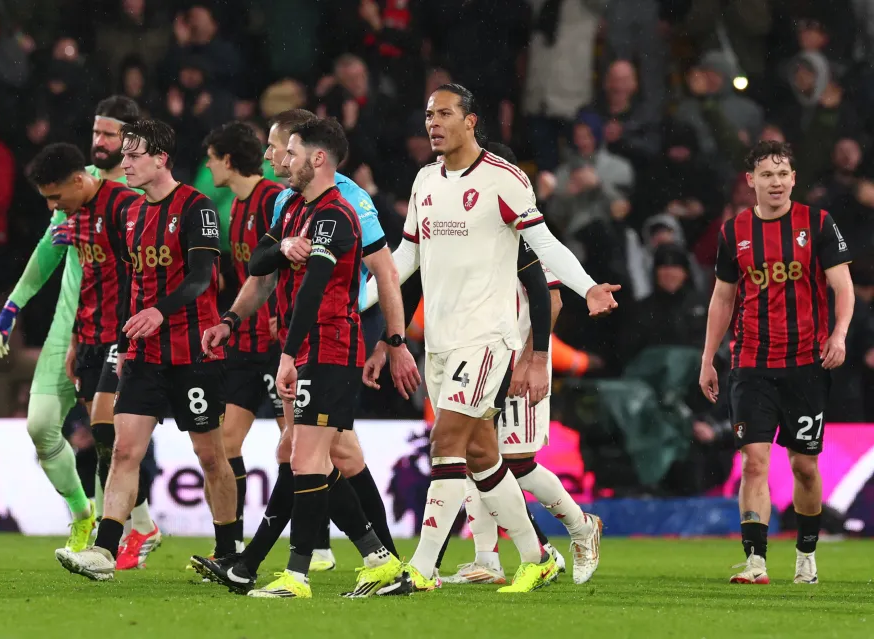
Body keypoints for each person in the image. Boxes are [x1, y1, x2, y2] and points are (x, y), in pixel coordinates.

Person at [361, 84, 619, 593]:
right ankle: (538, 556)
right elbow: (405, 258)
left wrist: (586, 287)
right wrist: (356, 305)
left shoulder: (505, 180)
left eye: (445, 114)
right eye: (429, 114)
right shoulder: (424, 180)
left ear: (471, 121)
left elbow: (544, 243)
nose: (433, 123)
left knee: (447, 441)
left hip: (487, 338)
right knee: (483, 455)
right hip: (441, 337)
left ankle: (422, 568)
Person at [195, 109, 416, 586]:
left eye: (283, 149)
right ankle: (366, 559)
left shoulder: (347, 207)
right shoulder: (289, 204)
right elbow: (262, 265)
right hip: (302, 336)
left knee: (320, 455)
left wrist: (393, 341)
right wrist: (233, 320)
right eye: (279, 148)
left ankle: (319, 565)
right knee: (305, 452)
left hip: (338, 331)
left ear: (313, 156)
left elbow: (385, 274)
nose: (275, 156)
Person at [55, 119, 238, 581]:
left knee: (211, 456)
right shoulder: (130, 213)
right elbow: (127, 280)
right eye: (125, 155)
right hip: (142, 354)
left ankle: (228, 551)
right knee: (122, 450)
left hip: (192, 352)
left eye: (135, 155)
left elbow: (201, 278)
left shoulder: (197, 208)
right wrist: (100, 335)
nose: (126, 163)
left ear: (161, 159)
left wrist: (159, 310)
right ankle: (104, 551)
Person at [0, 96, 159, 560]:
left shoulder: (143, 194)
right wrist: (13, 306)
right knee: (43, 427)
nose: (99, 142)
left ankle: (126, 532)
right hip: (74, 327)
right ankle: (84, 515)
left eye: (110, 134)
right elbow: (49, 251)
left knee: (112, 430)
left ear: (133, 140)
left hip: (123, 327)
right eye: (96, 133)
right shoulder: (71, 185)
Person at [435, 143, 599, 586]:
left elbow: (555, 297)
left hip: (517, 360)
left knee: (519, 461)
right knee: (473, 455)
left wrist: (532, 358)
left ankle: (583, 528)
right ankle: (486, 560)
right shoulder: (472, 230)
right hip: (480, 356)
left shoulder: (526, 232)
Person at [700, 140, 854, 585]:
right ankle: (756, 561)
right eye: (767, 174)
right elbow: (722, 298)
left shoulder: (818, 223)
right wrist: (708, 358)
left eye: (783, 173)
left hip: (806, 364)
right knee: (753, 461)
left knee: (804, 466)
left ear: (793, 179)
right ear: (750, 181)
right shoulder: (734, 232)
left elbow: (843, 287)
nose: (776, 181)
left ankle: (806, 553)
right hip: (751, 364)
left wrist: (839, 335)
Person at [25, 141, 163, 571]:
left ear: (80, 179)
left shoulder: (124, 205)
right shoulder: (74, 216)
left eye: (55, 195)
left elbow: (139, 268)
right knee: (106, 440)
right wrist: (74, 340)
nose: (52, 205)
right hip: (89, 335)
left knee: (108, 431)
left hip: (122, 332)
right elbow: (88, 280)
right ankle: (139, 526)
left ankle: (117, 535)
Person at [200, 121, 285, 553]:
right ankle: (229, 547)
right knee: (225, 443)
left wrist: (279, 318)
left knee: (298, 448)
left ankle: (321, 542)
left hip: (276, 347)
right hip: (245, 347)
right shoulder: (234, 209)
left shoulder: (273, 200)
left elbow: (286, 265)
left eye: (212, 158)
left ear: (228, 160)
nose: (208, 166)